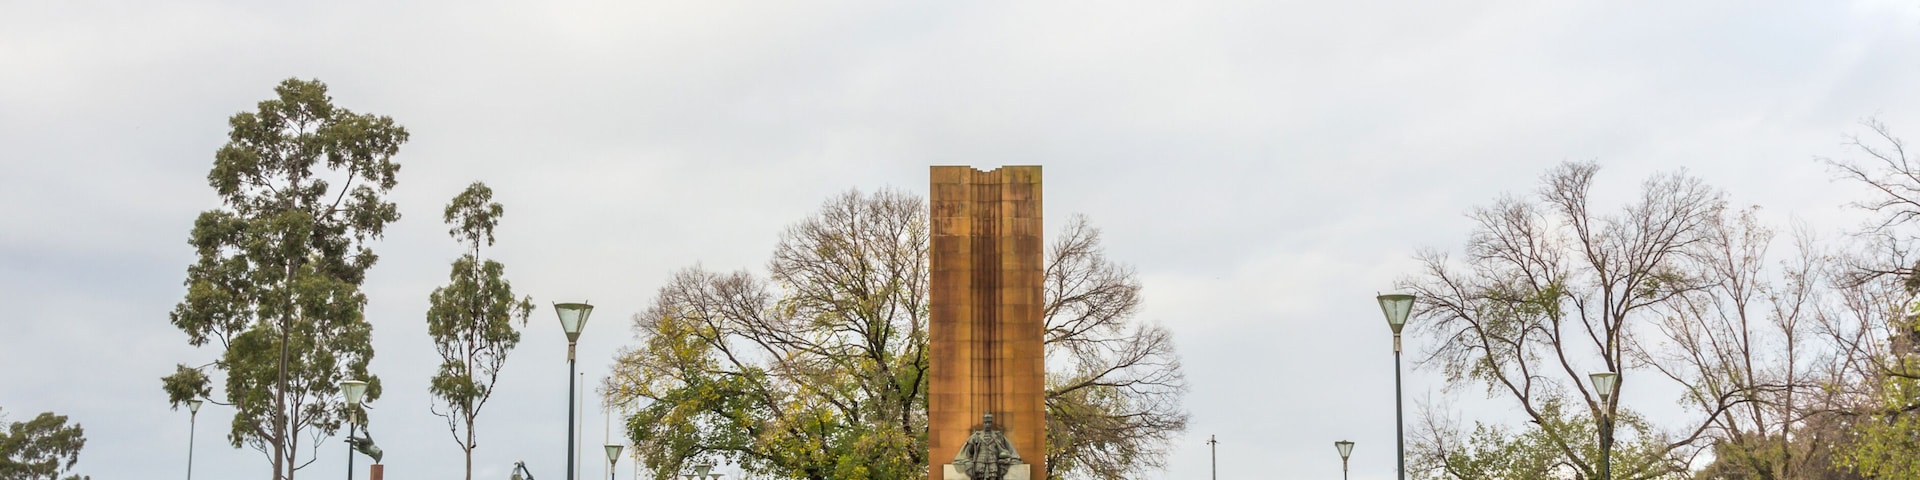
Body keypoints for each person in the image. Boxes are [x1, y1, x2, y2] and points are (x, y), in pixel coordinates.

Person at [953, 413, 1021, 480]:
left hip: (993, 461)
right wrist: (968, 460)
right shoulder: (977, 436)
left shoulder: (997, 435)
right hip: (980, 461)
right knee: (979, 476)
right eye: (986, 423)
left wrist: (1008, 456)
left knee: (993, 476)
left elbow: (1007, 447)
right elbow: (969, 450)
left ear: (991, 423)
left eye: (989, 422)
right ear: (983, 423)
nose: (987, 425)